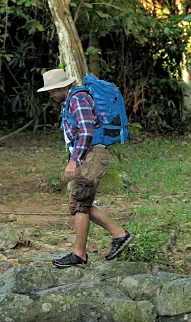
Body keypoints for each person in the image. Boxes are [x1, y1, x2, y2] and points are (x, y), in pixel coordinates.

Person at [37, 68, 134, 268]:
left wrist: (74, 160)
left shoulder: (77, 99)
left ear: (63, 87)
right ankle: (119, 234)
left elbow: (86, 130)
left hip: (92, 155)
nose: (51, 94)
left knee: (79, 202)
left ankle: (80, 254)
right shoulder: (71, 101)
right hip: (89, 156)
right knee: (81, 203)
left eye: (53, 90)